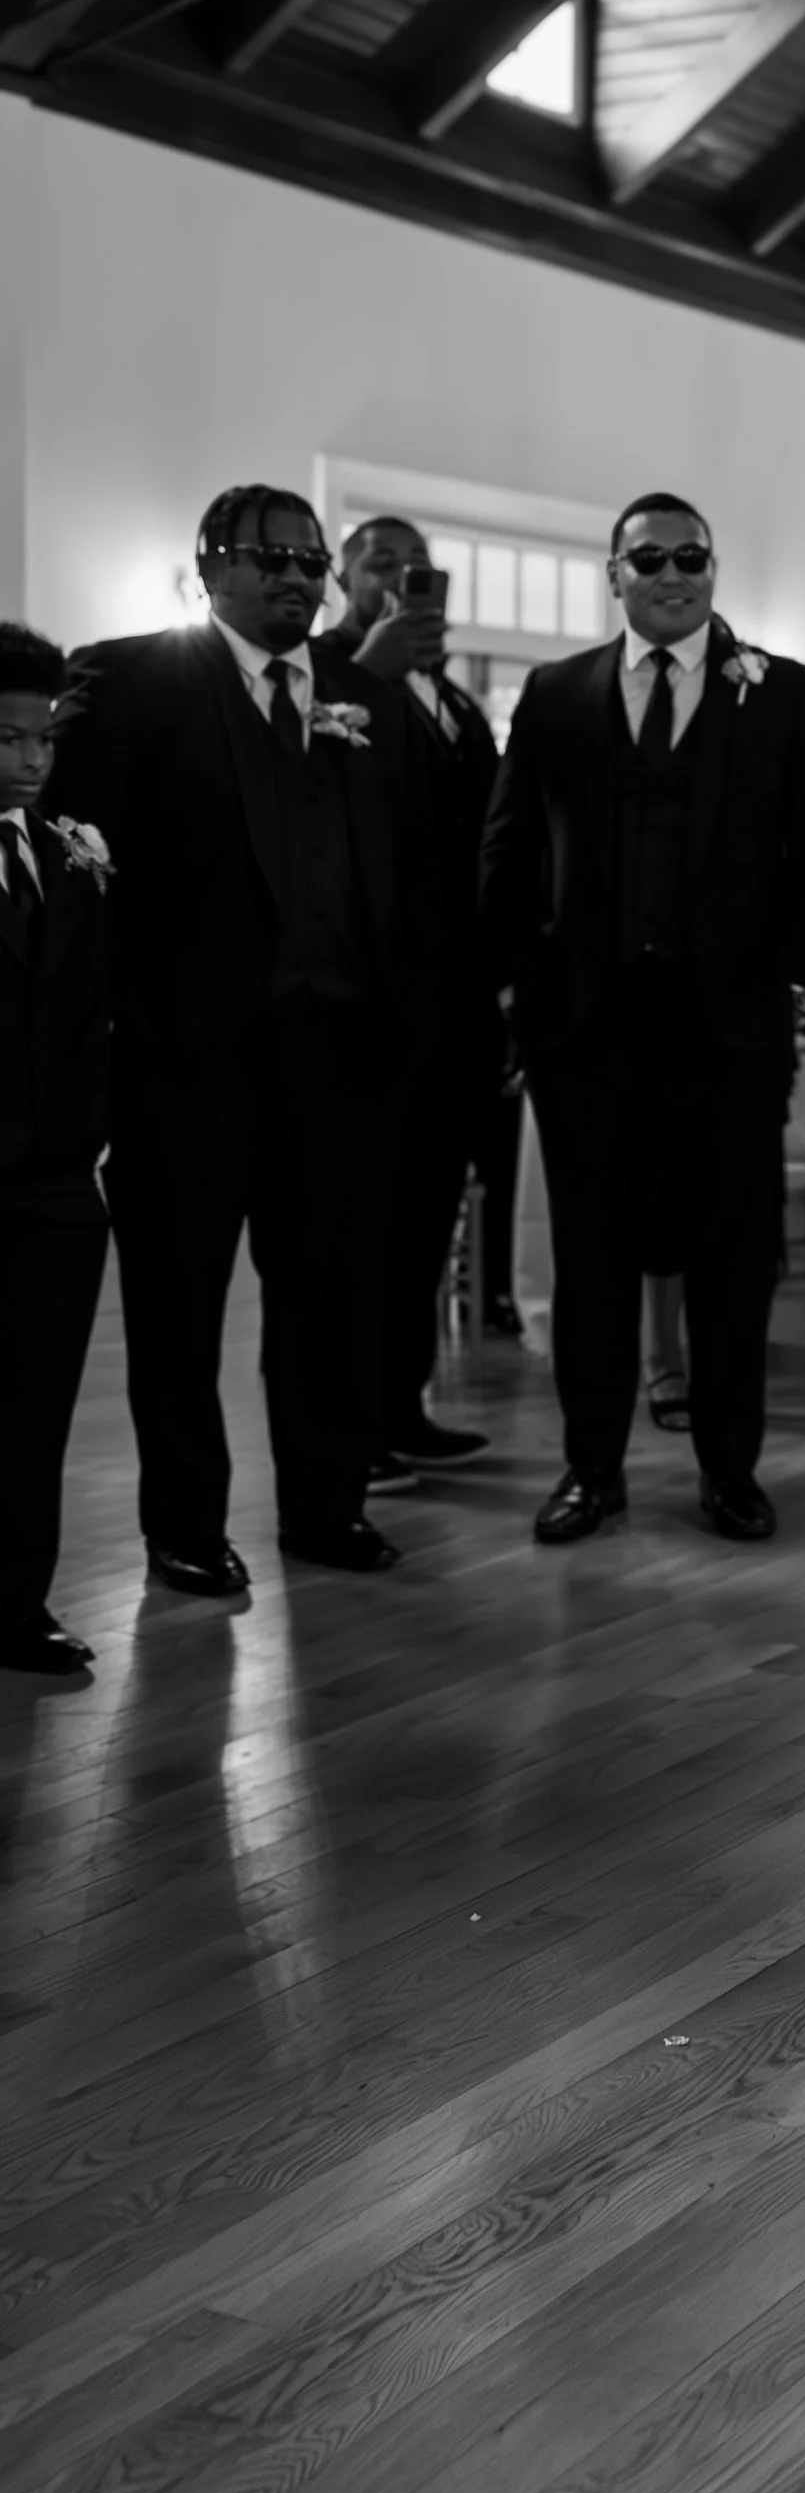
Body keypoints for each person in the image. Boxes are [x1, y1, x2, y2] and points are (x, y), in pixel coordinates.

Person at [48, 486, 441, 1589]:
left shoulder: (368, 694)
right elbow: (82, 869)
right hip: (187, 1063)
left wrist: (403, 1027)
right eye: (268, 557)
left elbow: (412, 875)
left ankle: (327, 1507)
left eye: (310, 560)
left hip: (341, 1062)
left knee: (331, 1301)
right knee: (178, 1309)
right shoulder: (131, 680)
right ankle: (184, 1525)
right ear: (207, 565)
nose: (296, 577)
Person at [479, 493, 805, 1545]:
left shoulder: (779, 691)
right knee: (590, 1257)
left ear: (712, 570)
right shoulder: (553, 695)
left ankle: (730, 1470)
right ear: (615, 574)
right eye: (651, 559)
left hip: (727, 1026)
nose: (673, 573)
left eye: (692, 556)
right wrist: (515, 985)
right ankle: (591, 1469)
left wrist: (795, 981)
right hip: (585, 1026)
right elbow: (506, 851)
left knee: (733, 1258)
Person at [310, 516, 505, 1483]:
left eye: (416, 565)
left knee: (430, 1213)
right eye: (379, 560)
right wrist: (371, 674)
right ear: (343, 576)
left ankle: (402, 1404)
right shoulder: (321, 675)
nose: (400, 576)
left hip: (455, 1007)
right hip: (365, 1005)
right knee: (360, 1226)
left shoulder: (459, 706)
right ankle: (347, 1427)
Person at [0, 627, 114, 1673]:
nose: (31, 762)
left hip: (60, 1182)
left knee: (37, 1409)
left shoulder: (65, 850)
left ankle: (17, 1600)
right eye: (6, 740)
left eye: (41, 740)